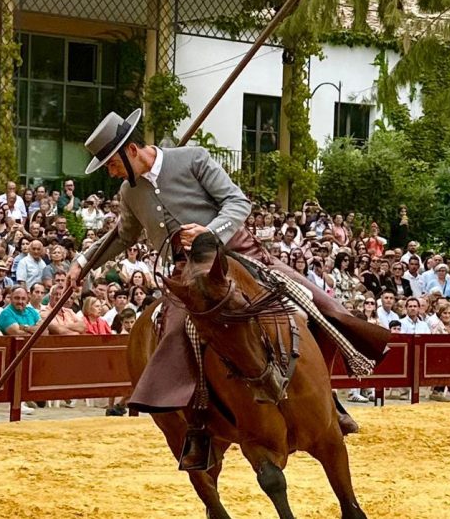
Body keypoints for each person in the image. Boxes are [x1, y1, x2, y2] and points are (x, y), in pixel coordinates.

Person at [66, 109, 388, 470]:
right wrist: (83, 262)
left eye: (111, 164)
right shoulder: (130, 193)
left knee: (311, 302)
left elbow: (237, 202)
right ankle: (200, 428)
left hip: (235, 250)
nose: (111, 172)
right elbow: (124, 235)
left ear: (132, 150)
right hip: (186, 273)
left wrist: (209, 233)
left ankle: (327, 400)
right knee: (174, 334)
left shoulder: (193, 159)